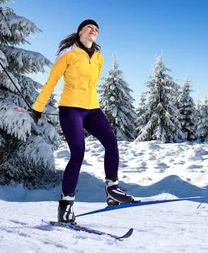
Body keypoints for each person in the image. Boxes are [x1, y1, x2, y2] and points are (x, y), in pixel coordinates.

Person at [31, 19, 140, 223]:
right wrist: (38, 107)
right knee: (78, 152)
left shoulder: (98, 57)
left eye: (96, 29)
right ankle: (65, 206)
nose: (93, 30)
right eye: (89, 27)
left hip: (92, 109)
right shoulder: (68, 54)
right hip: (71, 108)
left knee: (111, 142)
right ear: (80, 31)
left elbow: (91, 85)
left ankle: (112, 190)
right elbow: (52, 81)